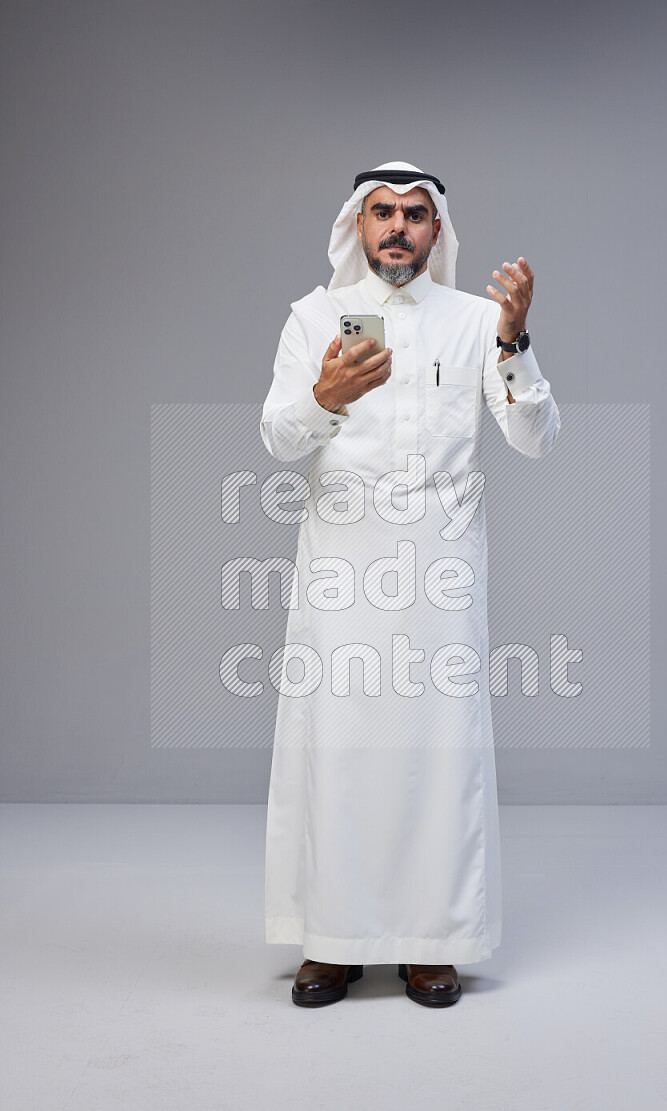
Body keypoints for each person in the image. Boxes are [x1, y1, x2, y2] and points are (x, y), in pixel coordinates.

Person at [259, 161, 560, 1007]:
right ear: (358, 225)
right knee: (340, 746)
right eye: (382, 212)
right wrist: (322, 396)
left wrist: (514, 342)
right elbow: (279, 438)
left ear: (437, 231)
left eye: (416, 214)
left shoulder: (475, 320)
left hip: (440, 567)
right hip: (343, 569)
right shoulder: (312, 317)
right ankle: (332, 940)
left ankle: (435, 939)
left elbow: (535, 437)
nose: (398, 227)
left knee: (438, 749)